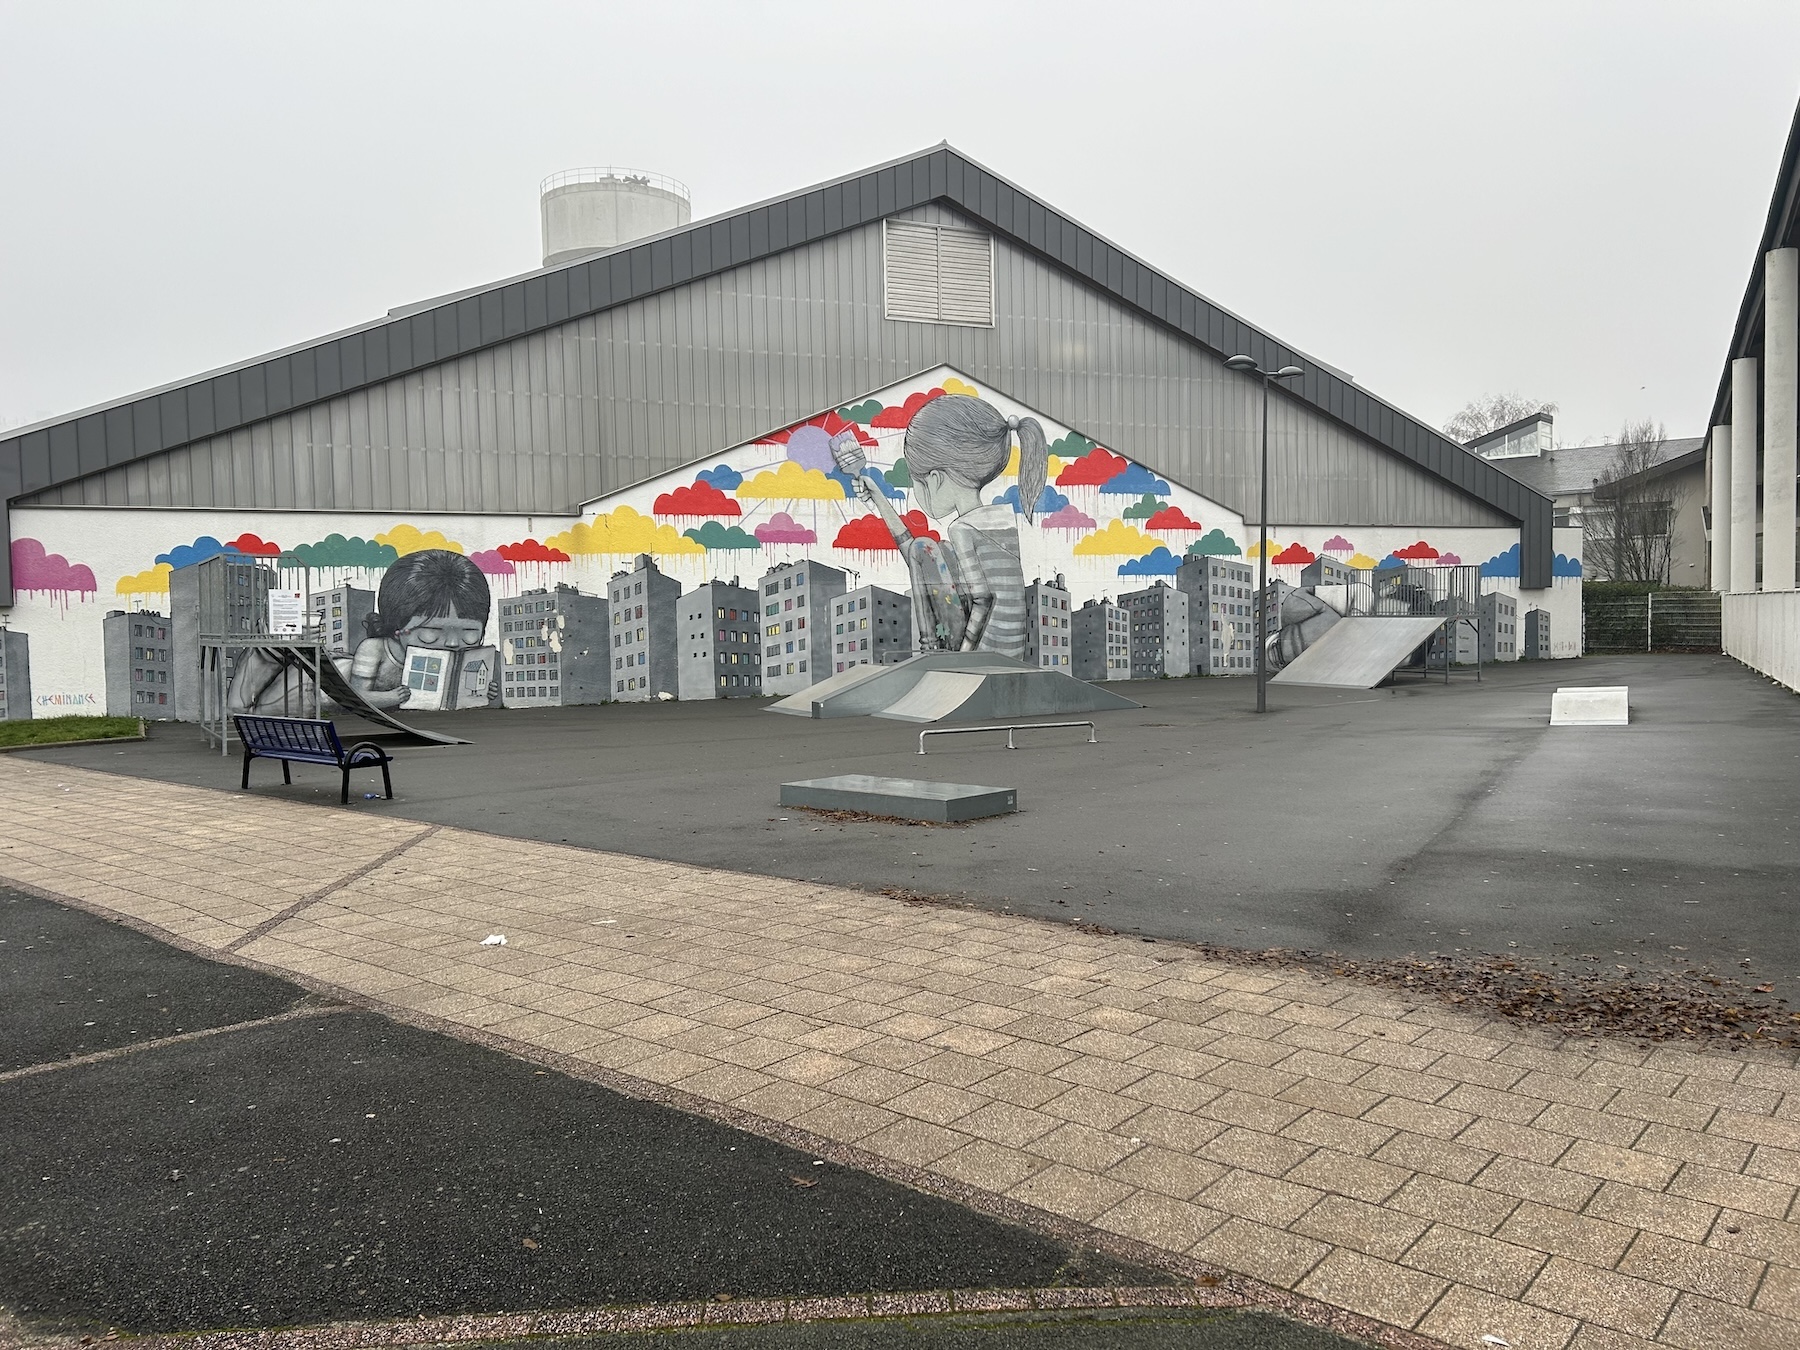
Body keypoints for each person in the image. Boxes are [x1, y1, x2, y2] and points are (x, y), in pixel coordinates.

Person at [832, 395, 1048, 660]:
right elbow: (922, 565)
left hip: (982, 653)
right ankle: (933, 651)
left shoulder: (962, 529)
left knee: (924, 547)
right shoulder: (1002, 520)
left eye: (917, 485)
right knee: (932, 550)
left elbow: (983, 599)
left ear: (935, 479)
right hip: (1010, 651)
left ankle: (930, 651)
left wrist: (963, 657)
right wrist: (879, 498)